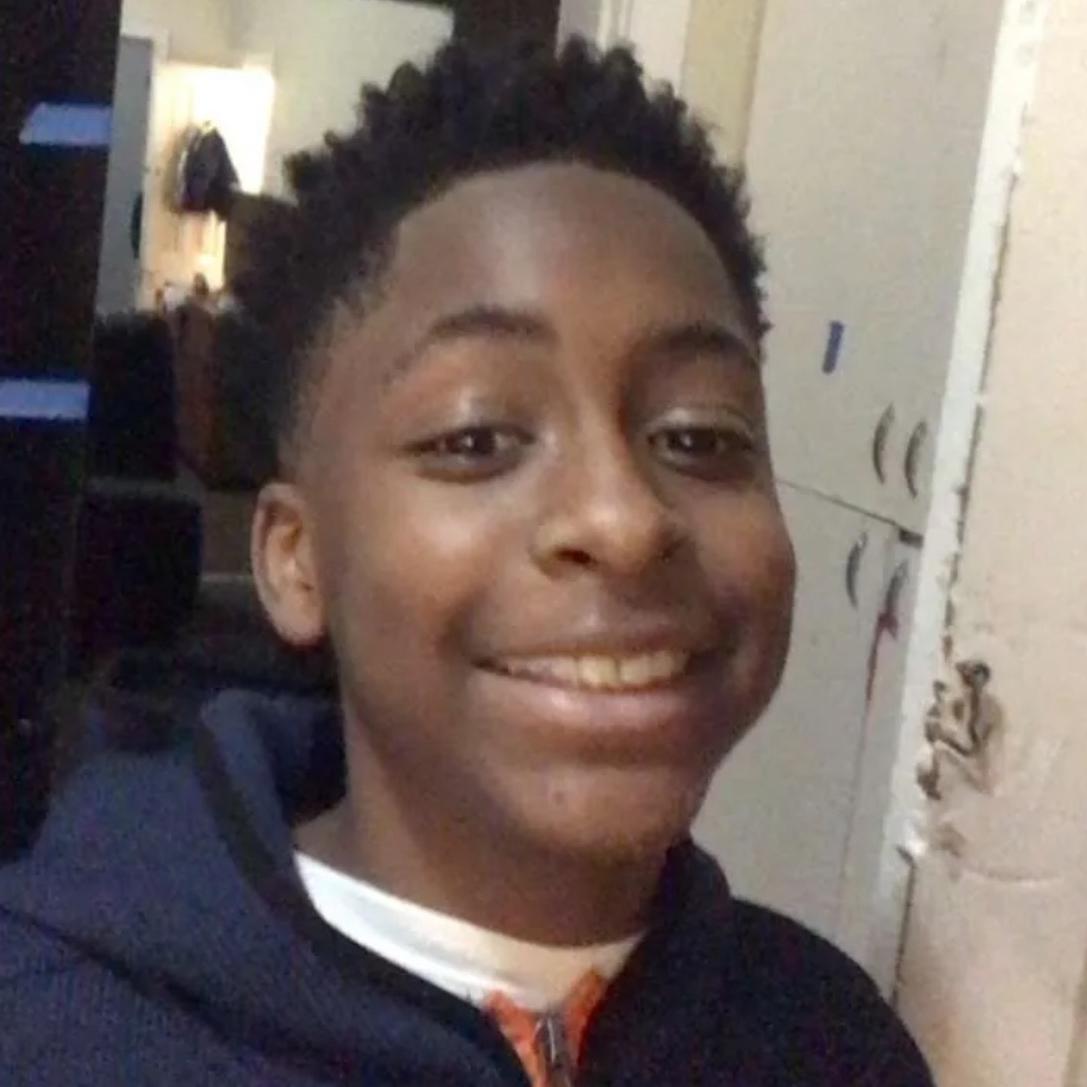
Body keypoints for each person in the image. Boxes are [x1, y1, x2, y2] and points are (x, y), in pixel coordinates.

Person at [0, 38, 934, 1085]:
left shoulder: (833, 1043)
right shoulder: (52, 1030)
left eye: (698, 435)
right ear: (296, 560)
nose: (624, 519)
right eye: (475, 437)